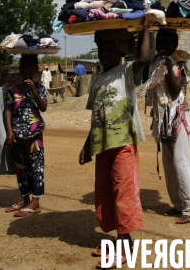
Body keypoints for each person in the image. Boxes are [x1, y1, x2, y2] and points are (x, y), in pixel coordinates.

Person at [79, 22, 151, 268]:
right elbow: (96, 115)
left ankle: (123, 245)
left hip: (123, 145)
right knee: (106, 193)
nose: (104, 53)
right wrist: (87, 144)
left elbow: (143, 57)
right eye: (101, 49)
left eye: (110, 48)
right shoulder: (97, 81)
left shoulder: (126, 72)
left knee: (123, 193)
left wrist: (146, 29)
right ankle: (120, 239)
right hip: (102, 146)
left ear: (121, 51)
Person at [145, 29, 190, 224]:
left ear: (174, 43)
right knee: (168, 163)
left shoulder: (178, 62)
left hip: (179, 117)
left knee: (180, 161)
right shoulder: (155, 62)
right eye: (158, 40)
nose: (161, 44)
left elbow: (176, 89)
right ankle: (178, 204)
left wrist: (169, 69)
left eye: (165, 41)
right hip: (163, 119)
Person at [3, 55, 47, 217]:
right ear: (20, 69)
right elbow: (8, 110)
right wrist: (9, 130)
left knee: (36, 168)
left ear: (36, 69)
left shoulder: (40, 88)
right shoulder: (13, 90)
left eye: (30, 67)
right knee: (21, 169)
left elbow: (43, 107)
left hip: (35, 135)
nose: (27, 70)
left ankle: (35, 202)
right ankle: (24, 198)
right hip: (17, 135)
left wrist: (34, 90)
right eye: (24, 66)